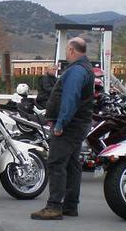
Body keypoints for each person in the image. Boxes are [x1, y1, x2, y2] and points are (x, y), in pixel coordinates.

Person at [31, 37, 95, 220]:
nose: (66, 53)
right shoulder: (85, 68)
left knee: (56, 163)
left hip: (70, 125)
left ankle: (54, 207)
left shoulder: (76, 71)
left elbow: (70, 98)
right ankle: (70, 206)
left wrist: (60, 124)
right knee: (73, 165)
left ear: (72, 50)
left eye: (67, 50)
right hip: (79, 124)